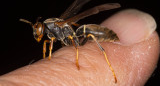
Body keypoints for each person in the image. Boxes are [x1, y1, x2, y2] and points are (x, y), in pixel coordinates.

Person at [0, 9, 159, 86]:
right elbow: (50, 41)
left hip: (87, 33)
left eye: (38, 30)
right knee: (53, 41)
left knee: (88, 34)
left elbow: (71, 32)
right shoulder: (51, 36)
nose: (38, 34)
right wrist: (47, 59)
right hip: (76, 34)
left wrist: (77, 59)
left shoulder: (58, 28)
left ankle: (109, 65)